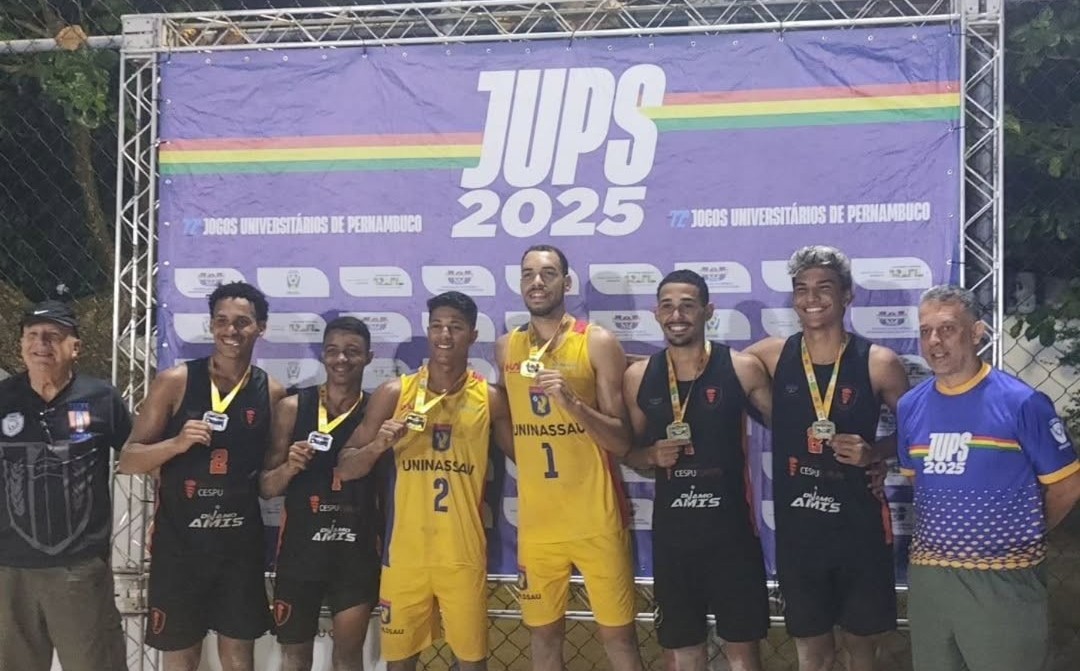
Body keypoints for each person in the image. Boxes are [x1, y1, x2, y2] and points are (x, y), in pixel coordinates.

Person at [898, 285, 1080, 671]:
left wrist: (1021, 530)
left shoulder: (1022, 403)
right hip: (931, 580)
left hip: (1002, 581)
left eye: (947, 329)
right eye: (926, 330)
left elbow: (1067, 485)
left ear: (977, 332)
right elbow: (920, 483)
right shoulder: (910, 406)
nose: (934, 341)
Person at [746, 246, 909, 671]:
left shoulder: (879, 363)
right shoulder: (771, 354)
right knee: (811, 652)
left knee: (861, 649)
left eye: (824, 288)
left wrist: (877, 452)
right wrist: (619, 365)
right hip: (801, 533)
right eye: (801, 289)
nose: (811, 298)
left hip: (859, 530)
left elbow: (920, 434)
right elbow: (701, 367)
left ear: (847, 295)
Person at [336, 291, 513, 671]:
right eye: (437, 326)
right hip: (405, 556)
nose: (444, 335)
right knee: (400, 663)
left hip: (462, 555)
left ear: (473, 334)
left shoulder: (491, 398)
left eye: (455, 327)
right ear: (428, 331)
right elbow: (346, 468)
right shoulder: (395, 393)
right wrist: (379, 445)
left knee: (472, 663)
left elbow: (525, 458)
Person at [118, 282, 285, 671]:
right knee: (181, 657)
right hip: (180, 547)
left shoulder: (272, 392)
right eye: (222, 321)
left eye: (243, 322)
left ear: (261, 327)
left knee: (239, 658)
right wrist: (176, 444)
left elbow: (267, 477)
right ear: (211, 326)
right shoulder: (175, 381)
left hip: (238, 547)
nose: (231, 330)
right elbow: (128, 459)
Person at [495, 245, 643, 671]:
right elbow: (506, 418)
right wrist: (529, 456)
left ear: (567, 282)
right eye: (528, 274)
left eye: (547, 273)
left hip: (595, 518)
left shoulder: (596, 341)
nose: (536, 282)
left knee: (620, 638)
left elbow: (620, 438)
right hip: (539, 524)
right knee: (542, 638)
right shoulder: (506, 347)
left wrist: (574, 405)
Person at [623, 270, 773, 671]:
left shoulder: (742, 368)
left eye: (688, 305)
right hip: (674, 541)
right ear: (656, 313)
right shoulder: (639, 376)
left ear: (708, 311)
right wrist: (651, 456)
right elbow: (629, 452)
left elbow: (789, 429)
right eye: (668, 306)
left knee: (742, 651)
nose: (677, 314)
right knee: (683, 651)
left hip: (733, 537)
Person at [0, 300, 130, 671]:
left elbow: (135, 453)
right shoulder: (3, 397)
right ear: (21, 345)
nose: (41, 344)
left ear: (75, 347)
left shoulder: (101, 397)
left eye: (53, 336)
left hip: (78, 566)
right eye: (32, 336)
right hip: (9, 568)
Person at [260, 317, 380, 671]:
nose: (342, 359)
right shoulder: (292, 408)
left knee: (348, 656)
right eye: (333, 351)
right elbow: (266, 488)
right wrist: (290, 467)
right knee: (294, 658)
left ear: (369, 357)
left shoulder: (377, 411)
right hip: (300, 553)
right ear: (324, 356)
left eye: (352, 352)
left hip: (355, 552)